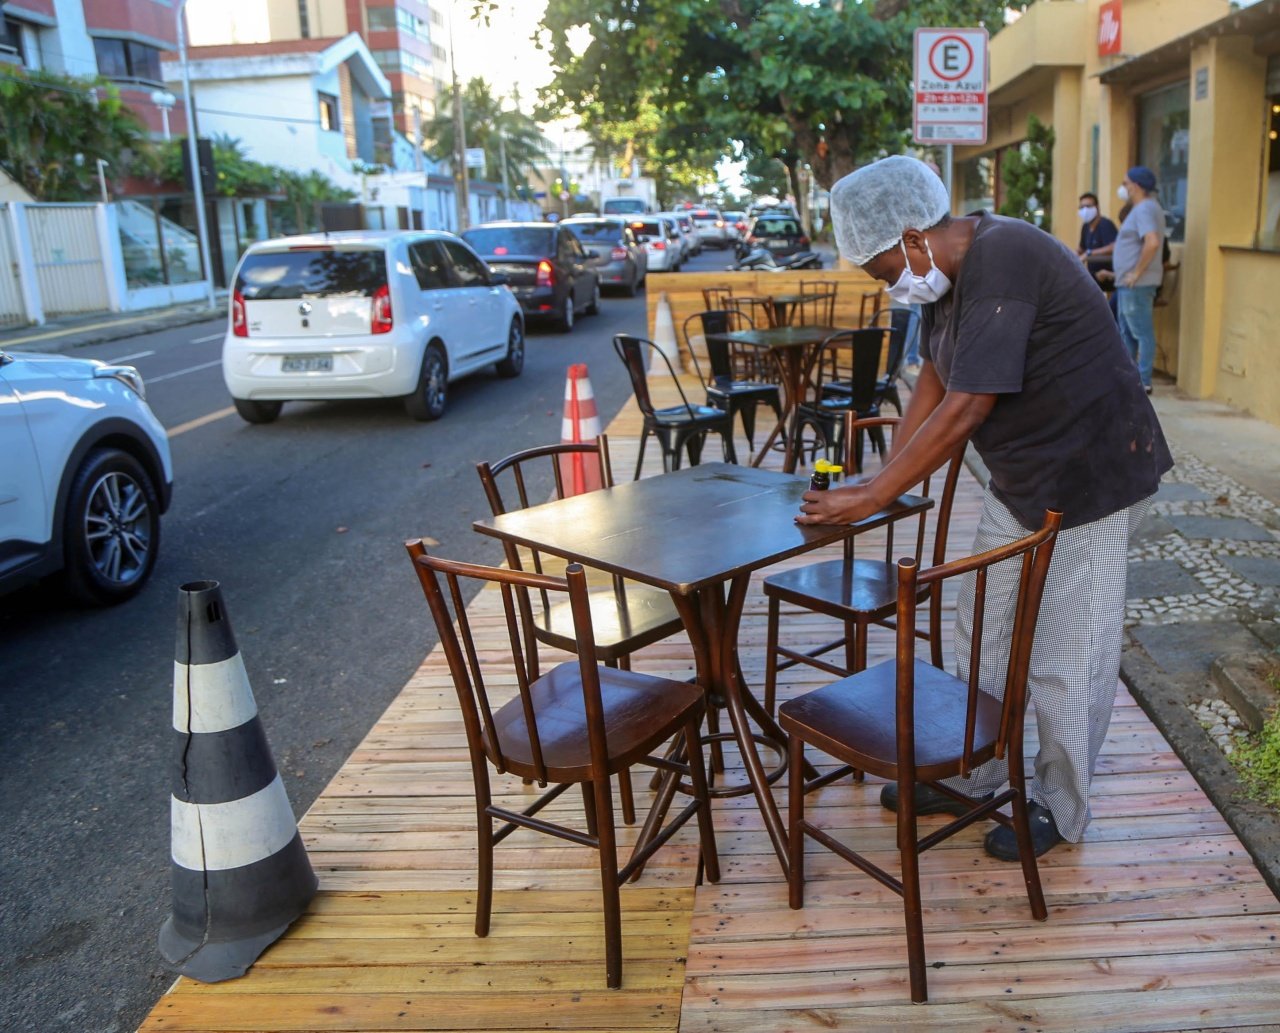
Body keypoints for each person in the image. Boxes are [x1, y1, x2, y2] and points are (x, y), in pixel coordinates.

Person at [798, 155, 1172, 861]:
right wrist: (886, 482)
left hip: (1095, 476)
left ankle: (1060, 808)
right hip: (1024, 478)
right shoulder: (946, 283)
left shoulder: (1004, 256)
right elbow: (935, 382)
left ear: (912, 235)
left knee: (1068, 654)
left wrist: (872, 497)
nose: (890, 286)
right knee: (983, 632)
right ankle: (975, 774)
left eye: (883, 270)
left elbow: (971, 404)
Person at [1109, 166, 1166, 392]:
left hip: (1137, 284)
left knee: (1140, 332)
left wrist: (1136, 273)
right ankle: (1130, 379)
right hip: (1127, 283)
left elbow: (1151, 242)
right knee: (1128, 333)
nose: (1123, 188)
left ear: (1138, 186)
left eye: (1126, 184)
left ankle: (1143, 381)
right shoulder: (1142, 208)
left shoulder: (1145, 209)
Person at [1075, 191, 1118, 288]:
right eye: (1081, 207)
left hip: (1108, 275)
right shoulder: (1085, 227)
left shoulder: (1105, 224)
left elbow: (1114, 246)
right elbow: (1081, 249)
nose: (1085, 210)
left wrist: (1090, 253)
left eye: (1088, 206)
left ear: (1097, 207)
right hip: (1093, 275)